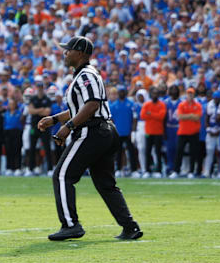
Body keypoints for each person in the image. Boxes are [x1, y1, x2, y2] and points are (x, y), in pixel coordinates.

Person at [38, 36, 142, 241]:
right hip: (102, 131)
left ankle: (70, 225)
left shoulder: (87, 74)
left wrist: (68, 127)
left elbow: (92, 105)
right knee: (105, 184)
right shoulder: (83, 75)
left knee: (62, 175)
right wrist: (54, 119)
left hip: (93, 130)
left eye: (69, 50)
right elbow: (79, 108)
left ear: (81, 53)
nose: (65, 53)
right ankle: (130, 227)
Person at [171, 88, 202, 178]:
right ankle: (176, 171)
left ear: (194, 95)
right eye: (188, 94)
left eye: (191, 94)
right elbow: (180, 116)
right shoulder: (181, 105)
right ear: (186, 95)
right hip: (183, 131)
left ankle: (191, 171)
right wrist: (191, 115)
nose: (190, 95)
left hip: (194, 132)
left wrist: (187, 116)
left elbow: (197, 117)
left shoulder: (198, 105)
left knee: (193, 152)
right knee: (179, 151)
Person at [109, 85, 138, 177]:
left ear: (125, 93)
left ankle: (134, 170)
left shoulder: (131, 104)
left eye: (123, 91)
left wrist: (132, 131)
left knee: (131, 151)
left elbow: (134, 118)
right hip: (118, 132)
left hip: (128, 132)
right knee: (118, 152)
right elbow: (111, 120)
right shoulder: (114, 105)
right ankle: (118, 169)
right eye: (120, 92)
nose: (121, 93)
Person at [27, 77, 53, 176]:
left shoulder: (47, 99)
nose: (40, 88)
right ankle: (30, 169)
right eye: (38, 86)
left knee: (47, 148)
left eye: (41, 87)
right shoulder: (33, 98)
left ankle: (50, 169)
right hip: (34, 126)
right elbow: (30, 111)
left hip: (44, 126)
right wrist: (41, 109)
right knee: (32, 148)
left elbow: (48, 112)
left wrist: (36, 110)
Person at [139, 89, 166, 178]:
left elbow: (161, 116)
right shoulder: (147, 104)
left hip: (158, 132)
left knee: (158, 151)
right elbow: (143, 115)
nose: (154, 95)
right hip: (149, 132)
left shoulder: (161, 104)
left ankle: (159, 170)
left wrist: (150, 114)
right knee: (148, 151)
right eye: (153, 93)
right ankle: (147, 170)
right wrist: (155, 115)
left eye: (156, 93)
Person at [203, 92, 220, 178]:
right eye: (215, 98)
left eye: (218, 98)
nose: (216, 100)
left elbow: (219, 119)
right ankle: (206, 172)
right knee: (209, 152)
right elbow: (206, 118)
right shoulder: (209, 105)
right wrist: (208, 130)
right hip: (211, 130)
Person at [3, 99, 24, 175]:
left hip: (17, 132)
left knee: (17, 150)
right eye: (10, 104)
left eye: (13, 104)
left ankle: (17, 168)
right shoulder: (6, 113)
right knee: (8, 150)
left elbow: (22, 122)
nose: (11, 105)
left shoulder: (19, 113)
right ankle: (9, 167)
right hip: (8, 132)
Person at [164, 85, 181, 175]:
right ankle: (170, 167)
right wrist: (164, 131)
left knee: (178, 148)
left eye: (175, 89)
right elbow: (163, 118)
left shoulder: (181, 102)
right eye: (172, 89)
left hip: (178, 126)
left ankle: (177, 167)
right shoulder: (166, 102)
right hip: (169, 126)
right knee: (169, 149)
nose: (174, 91)